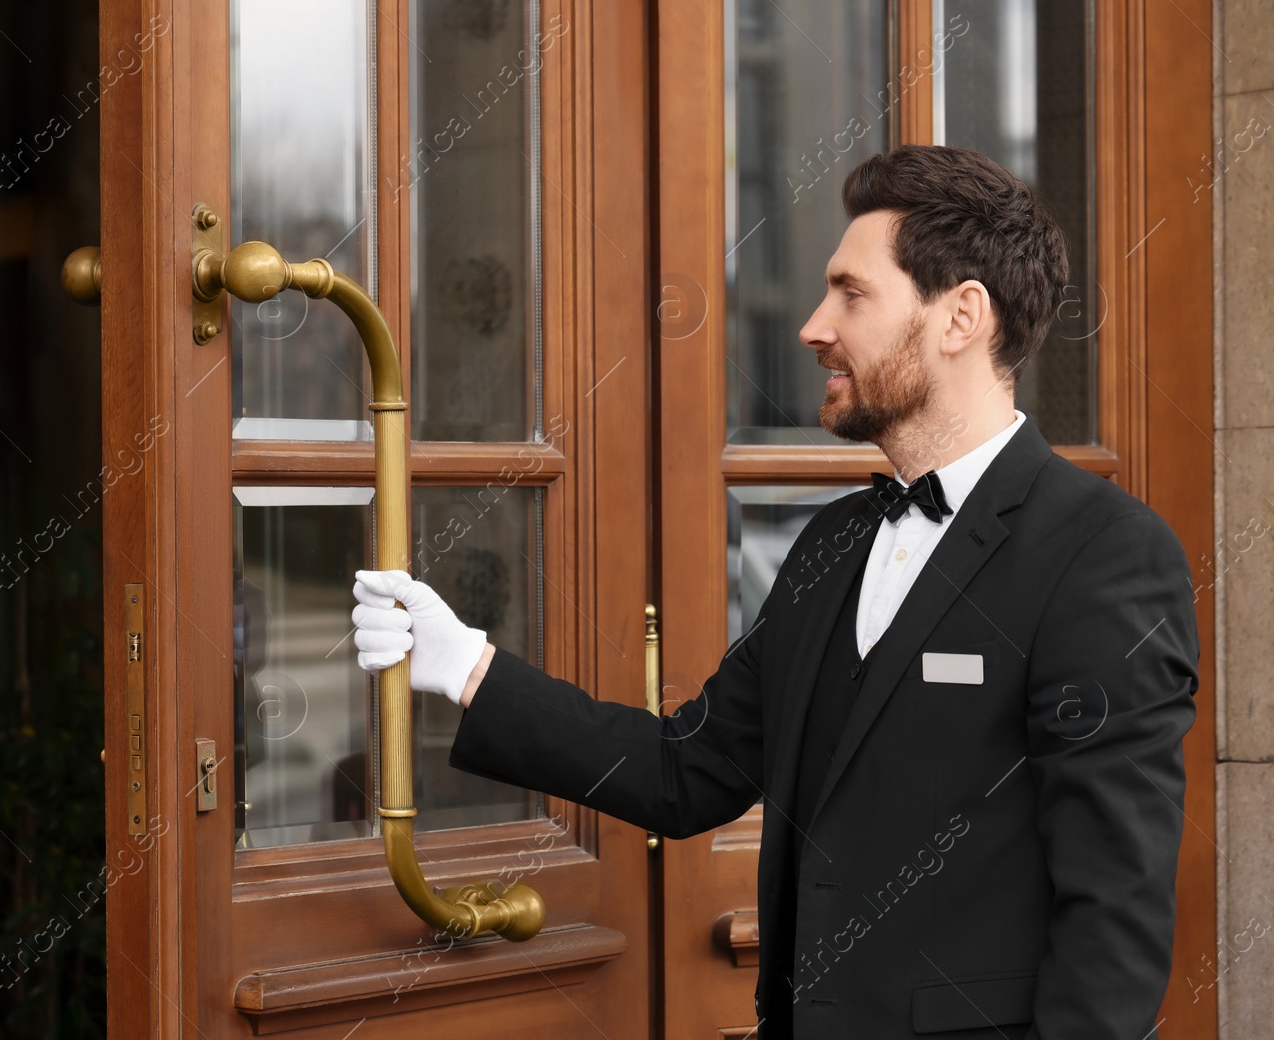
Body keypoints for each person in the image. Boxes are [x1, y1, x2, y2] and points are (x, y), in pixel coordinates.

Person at [351, 144, 1199, 1039]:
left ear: (961, 316)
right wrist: (468, 665)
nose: (813, 324)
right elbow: (687, 770)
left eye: (851, 292)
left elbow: (1116, 916)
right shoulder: (833, 542)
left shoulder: (1104, 553)